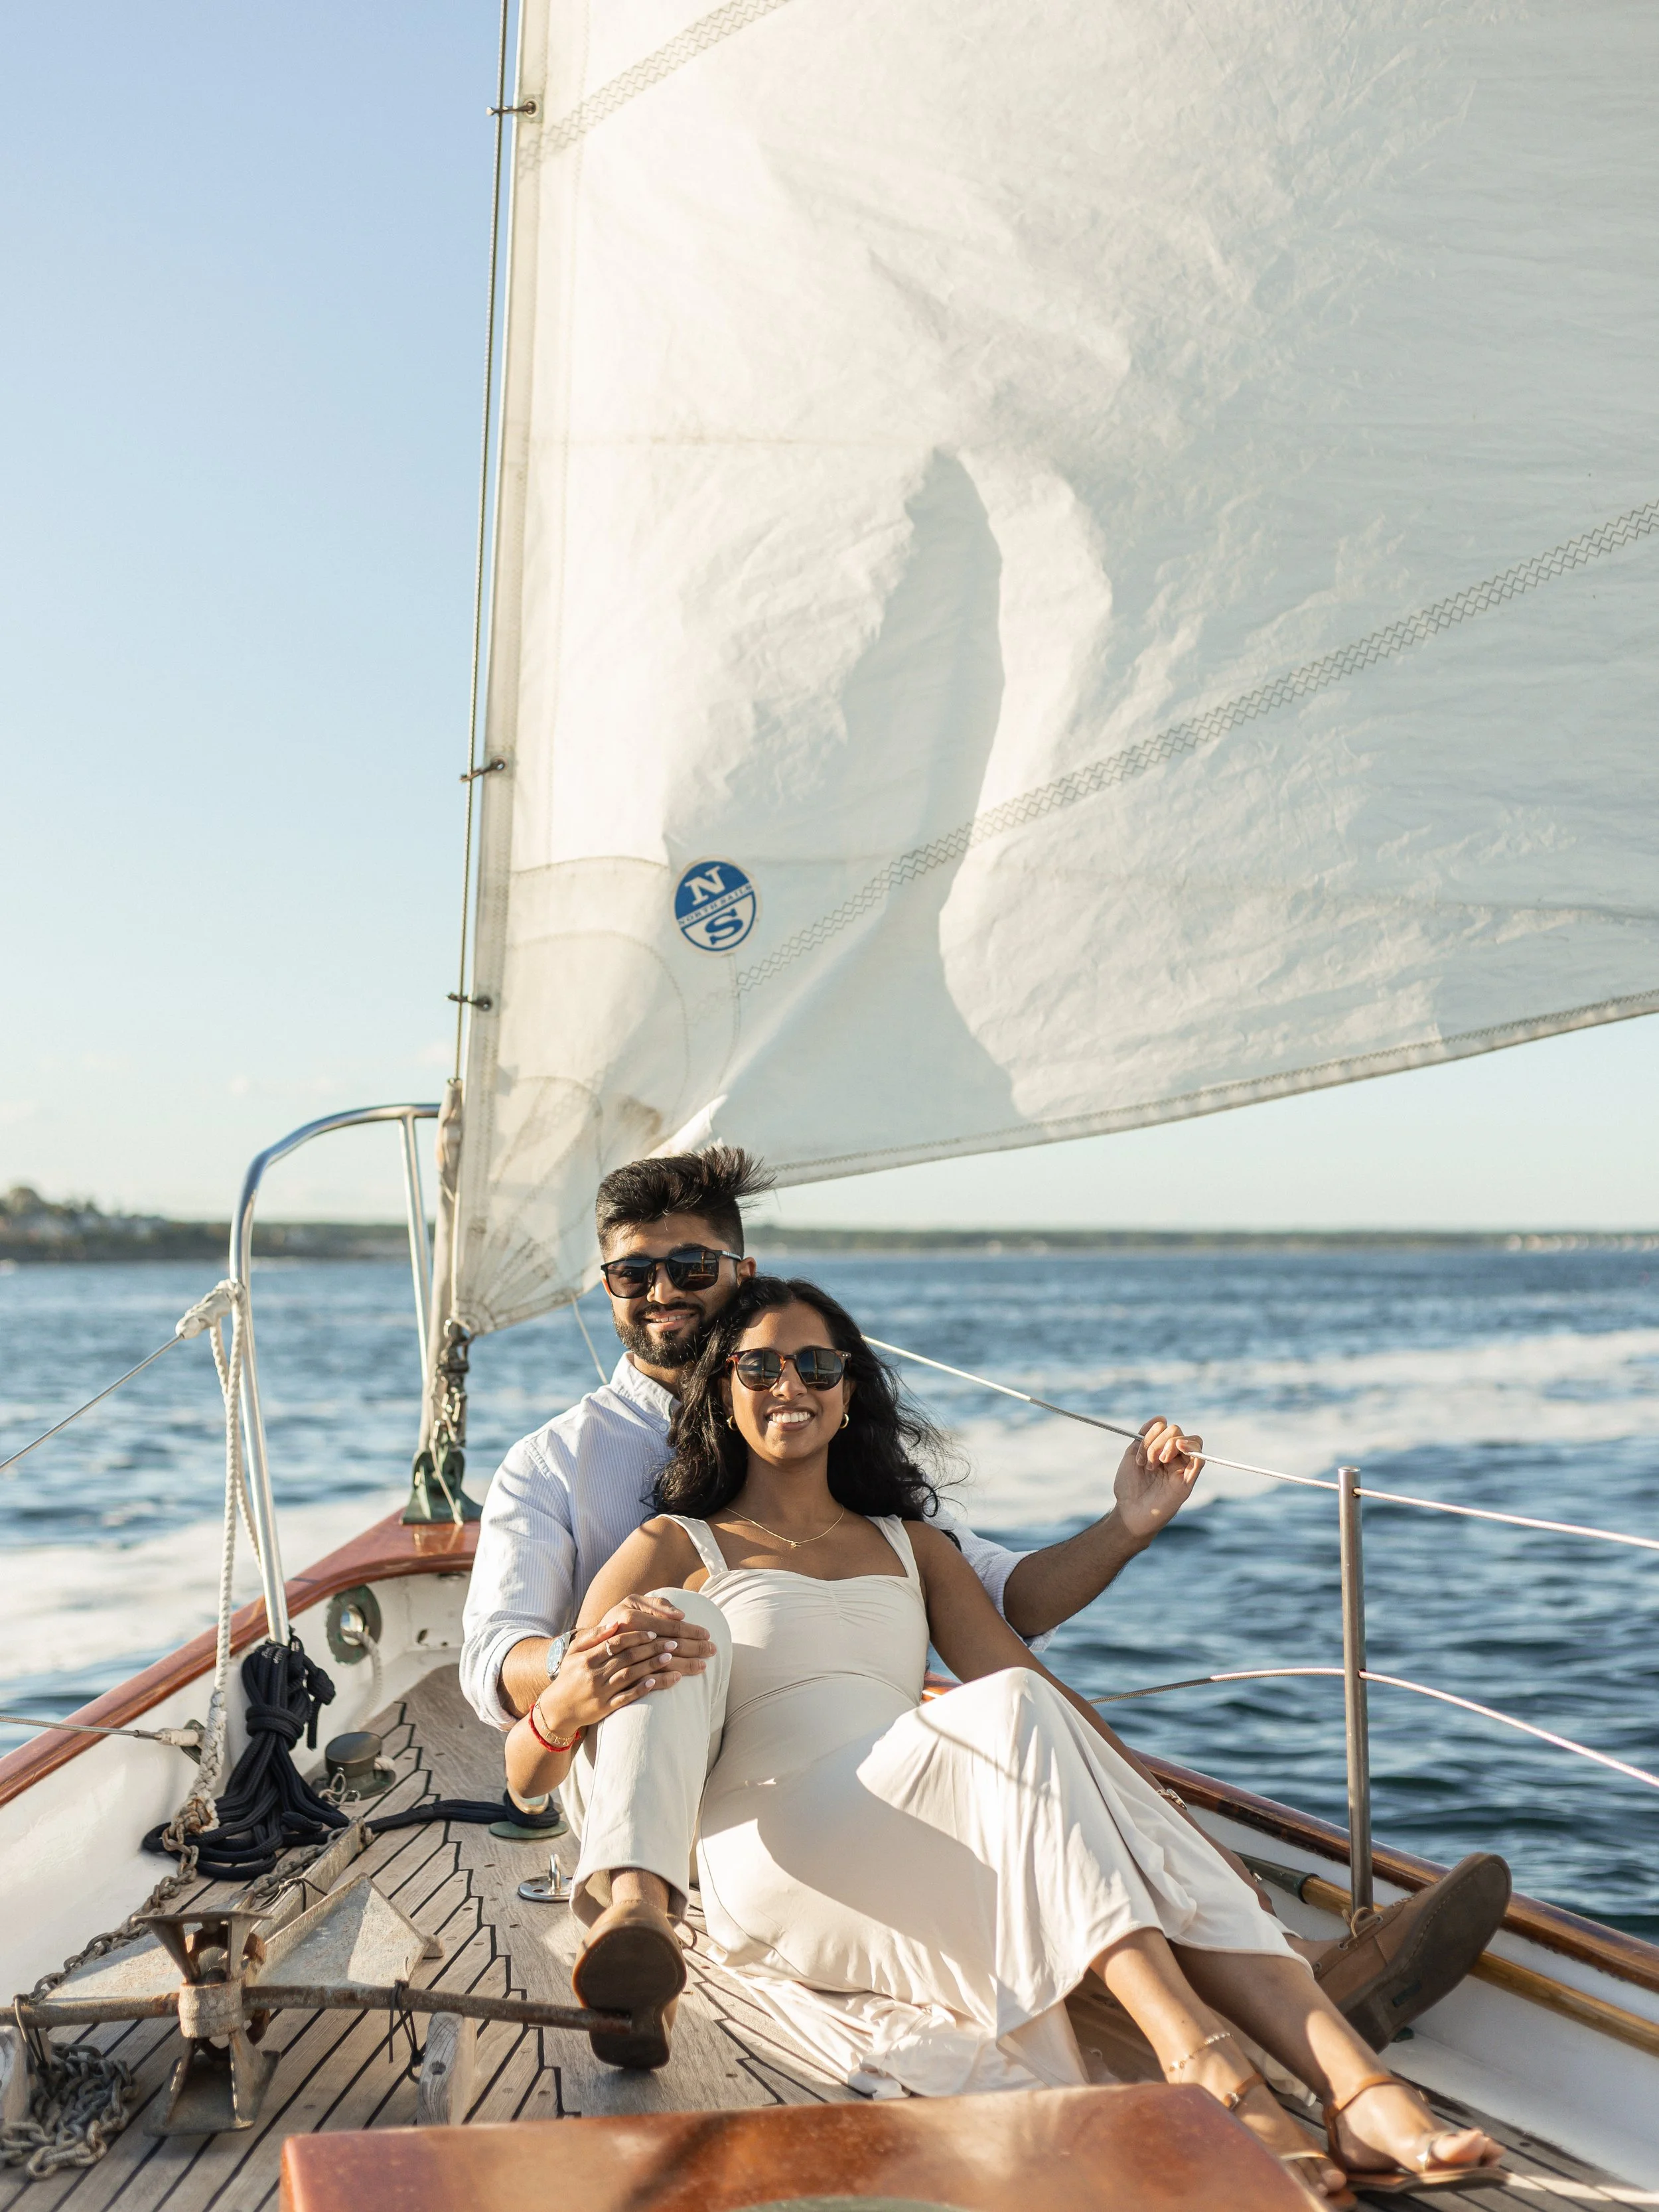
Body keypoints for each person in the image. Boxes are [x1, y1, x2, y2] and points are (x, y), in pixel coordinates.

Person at [507, 1276, 1507, 2201]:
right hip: (770, 1852)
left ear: (850, 1395)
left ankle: (1351, 2087)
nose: (789, 1386)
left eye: (817, 1365)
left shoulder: (914, 1545)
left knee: (1028, 1713)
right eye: (759, 1365)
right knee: (1011, 1716)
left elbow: (1036, 1692)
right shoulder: (672, 1545)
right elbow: (533, 1768)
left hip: (909, 1829)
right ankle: (1212, 2060)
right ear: (721, 1389)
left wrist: (1164, 1814)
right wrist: (563, 1704)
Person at [461, 1144, 1206, 1739]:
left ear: (741, 1273)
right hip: (643, 1772)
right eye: (633, 1273)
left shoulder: (829, 1440)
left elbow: (1002, 1606)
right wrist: (593, 1651)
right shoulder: (550, 1463)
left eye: (690, 1266)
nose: (663, 1291)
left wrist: (1127, 1526)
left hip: (843, 1765)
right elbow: (493, 1662)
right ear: (608, 1287)